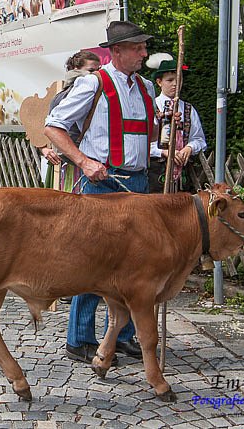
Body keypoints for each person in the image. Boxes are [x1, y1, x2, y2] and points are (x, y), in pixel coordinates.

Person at [44, 20, 157, 364]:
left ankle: (120, 335)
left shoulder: (147, 89)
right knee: (94, 264)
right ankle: (79, 338)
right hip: (101, 182)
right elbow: (53, 127)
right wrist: (83, 161)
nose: (144, 53)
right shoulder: (93, 83)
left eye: (143, 46)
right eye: (138, 47)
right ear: (117, 51)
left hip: (137, 184)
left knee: (132, 267)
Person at [40, 50, 102, 191]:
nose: (96, 75)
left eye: (98, 70)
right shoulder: (68, 94)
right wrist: (44, 148)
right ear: (75, 70)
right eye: (91, 70)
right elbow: (49, 126)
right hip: (74, 162)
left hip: (87, 163)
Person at [147, 54, 207, 193]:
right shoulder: (150, 107)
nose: (175, 84)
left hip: (183, 175)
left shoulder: (188, 109)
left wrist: (189, 148)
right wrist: (164, 152)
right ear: (159, 82)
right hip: (155, 173)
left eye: (178, 80)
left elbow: (199, 139)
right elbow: (141, 143)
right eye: (170, 80)